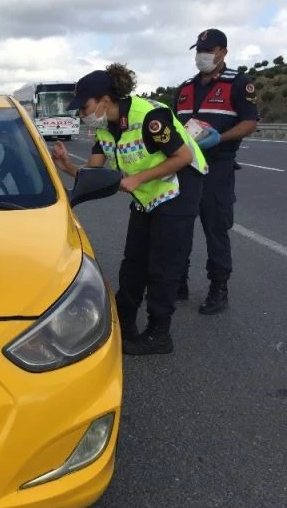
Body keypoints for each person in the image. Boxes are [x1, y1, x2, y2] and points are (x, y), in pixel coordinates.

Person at [51, 64, 208, 355]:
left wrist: (137, 178)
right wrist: (66, 166)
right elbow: (94, 174)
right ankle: (125, 322)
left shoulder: (149, 118)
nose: (82, 114)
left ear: (104, 100)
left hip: (179, 187)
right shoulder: (106, 130)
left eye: (84, 107)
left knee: (162, 263)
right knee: (134, 260)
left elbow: (183, 156)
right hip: (147, 194)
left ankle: (159, 334)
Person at [173, 29, 259, 314]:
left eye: (207, 51)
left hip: (218, 168)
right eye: (198, 50)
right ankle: (178, 283)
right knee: (179, 227)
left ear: (222, 52)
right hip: (185, 167)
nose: (201, 56)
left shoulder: (238, 83)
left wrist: (220, 138)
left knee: (215, 231)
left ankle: (218, 288)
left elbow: (250, 122)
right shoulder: (185, 88)